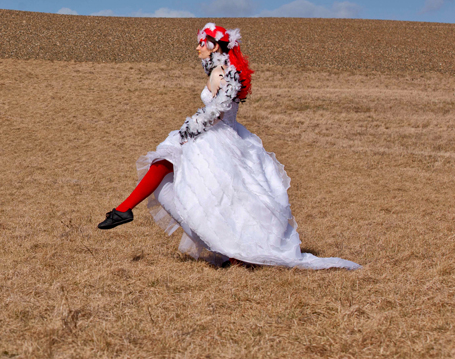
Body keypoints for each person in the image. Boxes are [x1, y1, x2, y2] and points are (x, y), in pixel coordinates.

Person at [97, 23, 360, 270]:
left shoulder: (223, 73)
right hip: (212, 134)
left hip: (216, 138)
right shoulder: (218, 70)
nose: (197, 47)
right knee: (175, 173)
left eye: (201, 43)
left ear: (214, 46)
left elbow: (219, 108)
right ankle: (125, 210)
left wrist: (193, 128)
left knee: (212, 197)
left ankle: (231, 253)